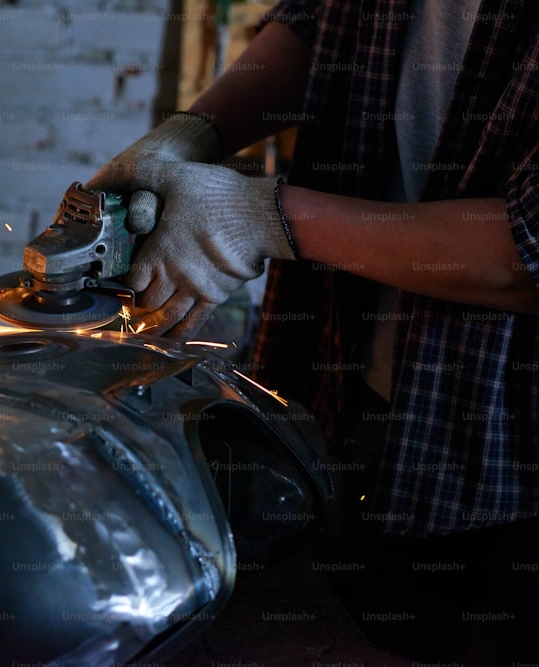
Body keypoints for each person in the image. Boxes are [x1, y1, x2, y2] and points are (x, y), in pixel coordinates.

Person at [87, 0, 539, 662]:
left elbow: (526, 254)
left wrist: (264, 218)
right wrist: (194, 133)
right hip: (355, 391)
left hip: (506, 466)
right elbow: (323, 19)